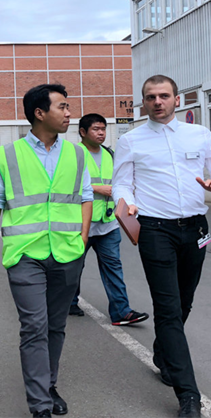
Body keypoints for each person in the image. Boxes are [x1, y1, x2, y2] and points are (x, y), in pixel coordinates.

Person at [112, 75, 211, 418]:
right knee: (167, 309)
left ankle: (164, 351)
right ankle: (188, 395)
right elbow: (121, 183)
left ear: (177, 100)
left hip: (195, 228)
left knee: (183, 302)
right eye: (151, 97)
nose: (158, 102)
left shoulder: (199, 135)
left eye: (164, 96)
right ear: (143, 102)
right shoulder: (131, 141)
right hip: (155, 230)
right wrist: (127, 201)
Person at [0, 84, 93, 418]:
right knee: (34, 327)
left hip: (68, 253)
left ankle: (48, 385)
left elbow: (85, 196)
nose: (69, 113)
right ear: (40, 113)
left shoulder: (77, 154)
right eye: (62, 107)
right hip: (25, 254)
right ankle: (40, 405)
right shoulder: (7, 155)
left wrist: (83, 239)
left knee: (55, 326)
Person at [67, 113, 149, 327]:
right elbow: (64, 185)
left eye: (103, 129)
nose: (101, 133)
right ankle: (68, 302)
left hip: (108, 222)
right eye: (96, 129)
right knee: (74, 266)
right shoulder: (72, 154)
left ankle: (122, 311)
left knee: (113, 267)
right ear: (83, 132)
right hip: (81, 224)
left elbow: (122, 182)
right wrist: (97, 188)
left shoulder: (110, 154)